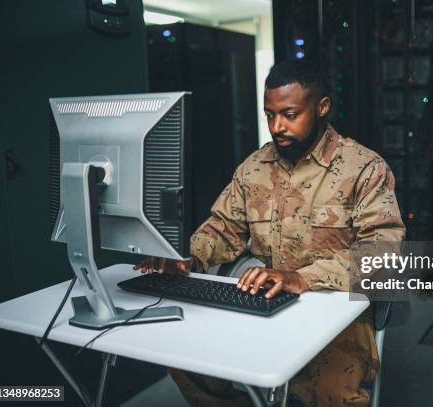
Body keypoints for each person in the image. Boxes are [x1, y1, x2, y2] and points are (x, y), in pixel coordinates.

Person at [135, 59, 406, 407]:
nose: (277, 126)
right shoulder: (253, 168)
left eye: (290, 114)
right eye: (269, 115)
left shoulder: (365, 168)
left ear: (321, 107)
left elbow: (384, 254)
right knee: (185, 356)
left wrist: (301, 278)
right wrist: (188, 257)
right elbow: (222, 227)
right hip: (265, 304)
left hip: (336, 314)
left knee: (332, 392)